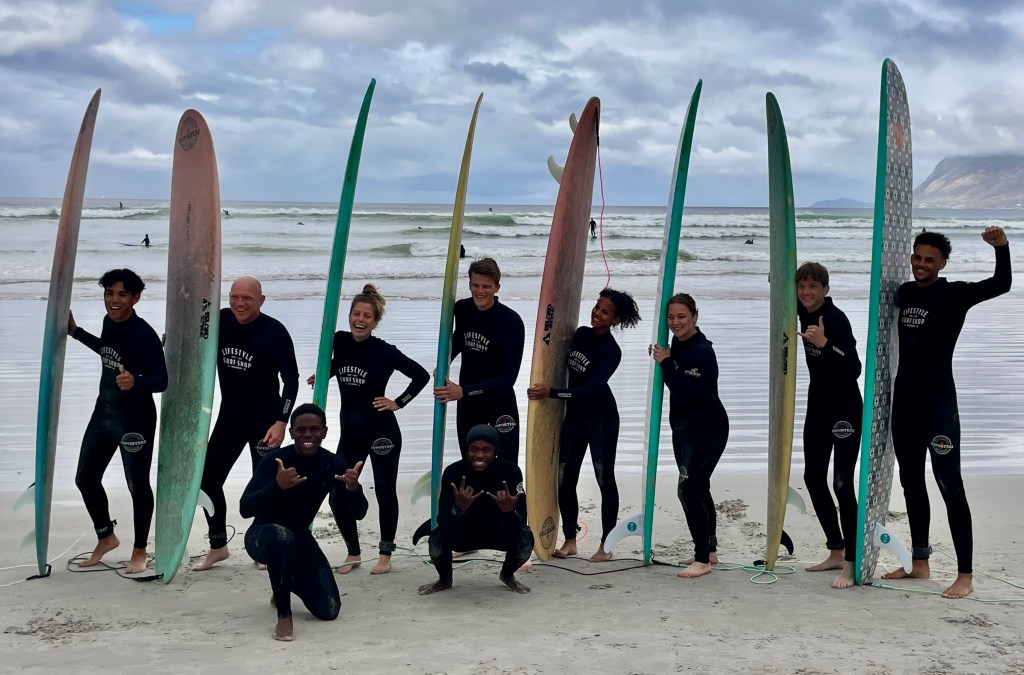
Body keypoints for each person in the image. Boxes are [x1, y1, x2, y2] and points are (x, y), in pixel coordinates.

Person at [882, 227, 1011, 599]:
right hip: (905, 405)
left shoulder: (955, 294)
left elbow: (1001, 283)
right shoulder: (904, 293)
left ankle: (964, 575)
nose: (921, 265)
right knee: (910, 483)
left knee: (950, 486)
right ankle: (919, 563)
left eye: (929, 260)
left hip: (938, 406)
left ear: (942, 264)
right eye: (917, 257)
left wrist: (1001, 248)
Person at [307, 285, 429, 575]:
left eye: (367, 316)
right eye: (356, 314)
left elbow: (421, 375)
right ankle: (353, 552)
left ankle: (385, 554)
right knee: (337, 491)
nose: (360, 320)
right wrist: (326, 373)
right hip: (350, 430)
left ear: (375, 321)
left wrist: (398, 403)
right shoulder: (339, 340)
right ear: (349, 316)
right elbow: (344, 361)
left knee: (386, 491)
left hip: (382, 431)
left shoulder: (385, 351)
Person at [527, 288, 641, 562]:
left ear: (615, 320)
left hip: (602, 419)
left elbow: (590, 389)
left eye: (605, 312)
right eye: (597, 307)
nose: (597, 313)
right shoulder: (581, 334)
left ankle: (606, 545)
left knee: (604, 479)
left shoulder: (611, 351)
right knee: (565, 478)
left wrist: (551, 393)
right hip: (575, 417)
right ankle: (570, 540)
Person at [195, 276, 300, 571]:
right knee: (207, 480)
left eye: (247, 299)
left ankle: (261, 545)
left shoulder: (275, 331)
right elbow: (195, 344)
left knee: (264, 484)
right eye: (234, 297)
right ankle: (218, 546)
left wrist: (281, 422)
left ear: (261, 300)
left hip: (265, 420)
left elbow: (290, 381)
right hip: (230, 417)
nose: (240, 303)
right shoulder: (218, 322)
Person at [67, 268, 167, 574]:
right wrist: (76, 332)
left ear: (135, 298)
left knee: (137, 485)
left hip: (134, 419)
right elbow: (108, 351)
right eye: (109, 293)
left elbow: (161, 380)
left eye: (122, 294)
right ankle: (106, 536)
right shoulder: (109, 322)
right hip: (104, 412)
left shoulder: (144, 334)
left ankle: (139, 551)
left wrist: (135, 381)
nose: (114, 300)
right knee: (85, 478)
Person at [240, 403, 367, 642]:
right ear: (291, 433)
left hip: (299, 539)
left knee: (329, 610)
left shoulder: (332, 464)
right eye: (301, 430)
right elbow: (245, 508)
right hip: (261, 537)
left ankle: (284, 583)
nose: (308, 435)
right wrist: (276, 486)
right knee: (281, 537)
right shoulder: (276, 461)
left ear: (325, 432)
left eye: (314, 429)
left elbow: (359, 513)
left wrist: (353, 488)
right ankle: (284, 615)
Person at [650, 293, 729, 579]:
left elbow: (683, 392)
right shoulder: (677, 345)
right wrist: (667, 358)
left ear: (695, 316)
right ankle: (709, 551)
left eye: (681, 316)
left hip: (707, 429)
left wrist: (666, 362)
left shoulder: (702, 351)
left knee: (689, 489)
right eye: (671, 317)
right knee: (699, 487)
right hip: (684, 428)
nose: (675, 322)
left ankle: (702, 559)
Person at [794, 262, 862, 589]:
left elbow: (853, 368)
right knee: (812, 477)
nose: (806, 293)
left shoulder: (834, 319)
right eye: (801, 286)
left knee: (842, 483)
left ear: (825, 289)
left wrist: (824, 344)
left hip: (845, 410)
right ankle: (836, 549)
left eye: (813, 287)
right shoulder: (802, 308)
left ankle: (851, 563)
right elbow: (780, 288)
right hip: (818, 407)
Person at [417, 424, 534, 595]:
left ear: (495, 450)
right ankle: (444, 579)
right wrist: (458, 509)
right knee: (436, 539)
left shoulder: (510, 472)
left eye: (486, 450)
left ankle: (507, 575)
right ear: (467, 449)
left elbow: (520, 523)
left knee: (526, 538)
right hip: (464, 534)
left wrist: (509, 511)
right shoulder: (453, 473)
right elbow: (442, 521)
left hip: (498, 532)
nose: (479, 455)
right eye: (474, 449)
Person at [434, 258, 525, 464]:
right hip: (468, 405)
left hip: (500, 404)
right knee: (471, 463)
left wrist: (463, 391)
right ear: (469, 284)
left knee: (505, 466)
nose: (480, 291)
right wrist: (442, 366)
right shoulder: (462, 309)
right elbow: (457, 341)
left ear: (497, 287)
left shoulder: (511, 322)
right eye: (475, 285)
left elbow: (508, 379)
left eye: (486, 286)